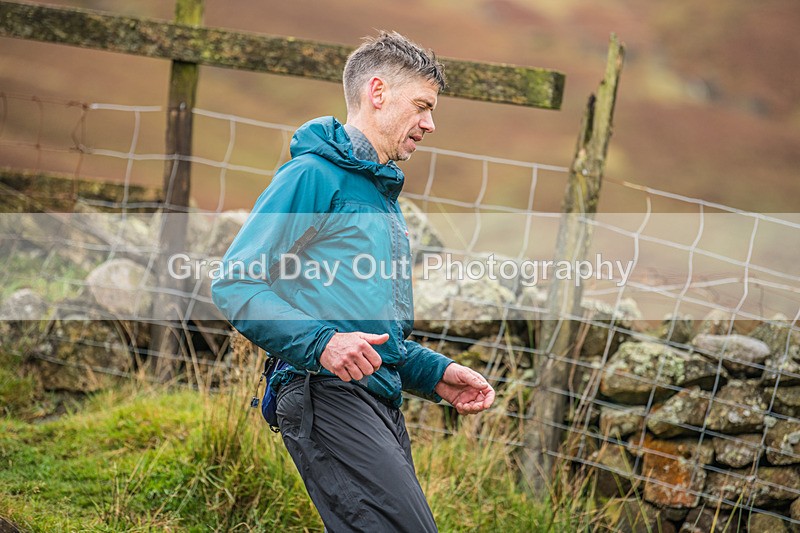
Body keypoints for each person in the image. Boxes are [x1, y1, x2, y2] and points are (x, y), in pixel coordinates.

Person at [211, 30, 495, 532]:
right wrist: (321, 343)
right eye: (423, 106)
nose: (430, 124)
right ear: (378, 92)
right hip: (326, 395)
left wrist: (435, 374)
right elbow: (235, 283)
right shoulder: (313, 176)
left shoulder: (378, 196)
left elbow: (365, 331)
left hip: (376, 400)